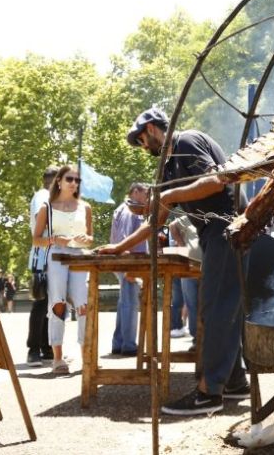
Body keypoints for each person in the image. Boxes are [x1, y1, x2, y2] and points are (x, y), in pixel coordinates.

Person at [98, 107, 250, 416]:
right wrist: (119, 248)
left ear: (152, 129)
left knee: (216, 308)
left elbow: (215, 180)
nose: (142, 147)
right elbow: (155, 221)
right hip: (213, 235)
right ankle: (234, 383)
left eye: (141, 140)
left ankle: (209, 394)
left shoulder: (187, 143)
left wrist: (166, 197)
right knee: (222, 307)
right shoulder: (168, 170)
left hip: (228, 228)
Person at [33, 164, 94, 375]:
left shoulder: (85, 207)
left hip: (79, 256)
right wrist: (53, 239)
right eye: (70, 179)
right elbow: (35, 239)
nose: (74, 183)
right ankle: (57, 358)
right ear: (59, 181)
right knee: (57, 303)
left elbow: (90, 239)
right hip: (56, 255)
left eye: (77, 180)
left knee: (83, 303)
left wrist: (86, 240)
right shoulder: (46, 207)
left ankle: (87, 355)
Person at [109, 182, 149, 357]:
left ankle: (119, 343)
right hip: (129, 262)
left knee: (124, 303)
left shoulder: (124, 209)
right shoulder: (130, 211)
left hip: (127, 262)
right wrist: (129, 268)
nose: (148, 197)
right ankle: (129, 345)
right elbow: (125, 241)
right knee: (130, 304)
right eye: (146, 193)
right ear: (135, 192)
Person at [26, 166, 57, 366]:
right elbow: (40, 220)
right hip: (42, 256)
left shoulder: (52, 199)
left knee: (50, 304)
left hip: (52, 255)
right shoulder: (43, 196)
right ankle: (33, 349)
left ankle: (46, 348)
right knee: (40, 303)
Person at [169, 214, 202, 350]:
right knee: (192, 304)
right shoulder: (188, 216)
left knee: (208, 304)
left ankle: (209, 340)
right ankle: (196, 339)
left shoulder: (213, 215)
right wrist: (182, 244)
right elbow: (172, 226)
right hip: (189, 266)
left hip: (209, 266)